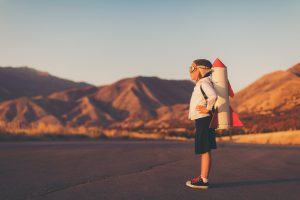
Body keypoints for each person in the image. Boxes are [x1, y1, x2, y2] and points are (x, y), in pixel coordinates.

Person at [186, 59, 217, 189]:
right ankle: (203, 177)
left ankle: (203, 179)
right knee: (204, 149)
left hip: (204, 119)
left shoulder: (203, 82)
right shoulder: (202, 83)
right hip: (202, 120)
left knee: (205, 150)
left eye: (192, 69)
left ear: (200, 70)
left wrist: (207, 109)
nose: (189, 72)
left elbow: (213, 96)